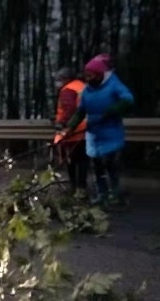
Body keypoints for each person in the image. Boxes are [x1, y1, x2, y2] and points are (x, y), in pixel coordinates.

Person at [61, 56, 134, 208]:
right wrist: (70, 128)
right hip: (94, 133)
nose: (88, 79)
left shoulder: (113, 85)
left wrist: (111, 111)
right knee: (98, 164)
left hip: (111, 131)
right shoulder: (87, 91)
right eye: (87, 75)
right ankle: (102, 193)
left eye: (91, 75)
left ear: (100, 74)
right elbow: (80, 112)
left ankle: (115, 191)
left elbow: (127, 100)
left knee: (110, 163)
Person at [53, 67, 89, 199]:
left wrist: (61, 123)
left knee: (72, 161)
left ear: (66, 79)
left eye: (59, 79)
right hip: (86, 129)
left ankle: (74, 187)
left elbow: (69, 109)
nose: (58, 82)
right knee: (83, 161)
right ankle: (81, 188)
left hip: (73, 130)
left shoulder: (67, 90)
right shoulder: (82, 86)